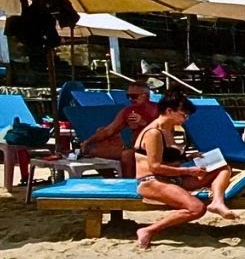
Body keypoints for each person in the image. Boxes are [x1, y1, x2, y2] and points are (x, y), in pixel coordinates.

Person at [134, 91, 236, 249]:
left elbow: (168, 158)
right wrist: (189, 171)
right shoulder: (153, 133)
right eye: (184, 115)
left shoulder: (168, 129)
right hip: (152, 181)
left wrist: (188, 157)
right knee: (197, 208)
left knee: (222, 167)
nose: (186, 119)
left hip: (172, 179)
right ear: (169, 111)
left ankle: (217, 202)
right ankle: (148, 230)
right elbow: (155, 166)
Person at [78, 82, 158, 177]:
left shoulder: (158, 109)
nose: (130, 99)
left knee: (127, 155)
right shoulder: (128, 111)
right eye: (127, 96)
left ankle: (128, 185)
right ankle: (110, 179)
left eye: (133, 96)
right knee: (94, 150)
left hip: (157, 147)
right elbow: (109, 130)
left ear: (144, 96)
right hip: (136, 148)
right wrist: (89, 141)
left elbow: (164, 131)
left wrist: (144, 123)